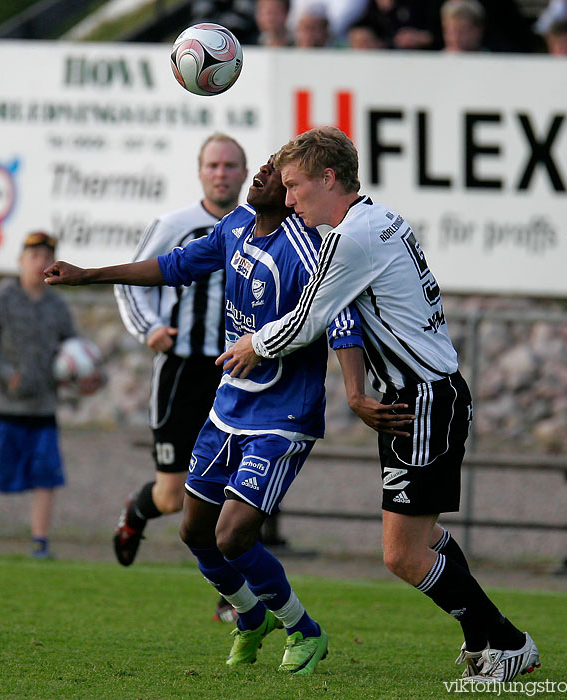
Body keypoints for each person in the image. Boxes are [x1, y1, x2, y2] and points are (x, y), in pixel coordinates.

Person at [217, 126, 541, 685]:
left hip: (423, 399)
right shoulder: (379, 219)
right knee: (426, 539)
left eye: (295, 186)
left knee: (402, 555)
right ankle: (483, 639)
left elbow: (310, 318)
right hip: (416, 396)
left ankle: (510, 642)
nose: (289, 198)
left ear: (329, 178)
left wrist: (254, 343)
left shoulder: (353, 238)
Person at [43, 156, 372, 675]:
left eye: (274, 172)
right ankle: (249, 616)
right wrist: (89, 274)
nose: (262, 174)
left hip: (283, 414)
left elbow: (343, 317)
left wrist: (355, 392)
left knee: (232, 535)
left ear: (290, 194)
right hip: (229, 406)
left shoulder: (308, 251)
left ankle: (302, 628)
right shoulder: (235, 226)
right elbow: (172, 267)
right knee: (193, 531)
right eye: (263, 167)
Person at [113, 133, 248, 623]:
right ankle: (137, 509)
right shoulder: (175, 225)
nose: (222, 173)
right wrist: (150, 329)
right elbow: (131, 279)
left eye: (231, 165)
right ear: (200, 171)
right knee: (173, 496)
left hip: (235, 373)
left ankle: (232, 596)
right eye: (213, 165)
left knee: (234, 492)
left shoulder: (256, 227)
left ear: (243, 173)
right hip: (180, 372)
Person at [0, 232, 76, 559]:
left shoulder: (57, 304)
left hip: (43, 407)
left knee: (46, 478)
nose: (39, 263)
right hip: (2, 407)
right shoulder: (0, 298)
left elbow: (74, 349)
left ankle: (40, 545)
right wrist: (8, 375)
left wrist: (85, 376)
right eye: (33, 256)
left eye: (46, 256)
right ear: (20, 260)